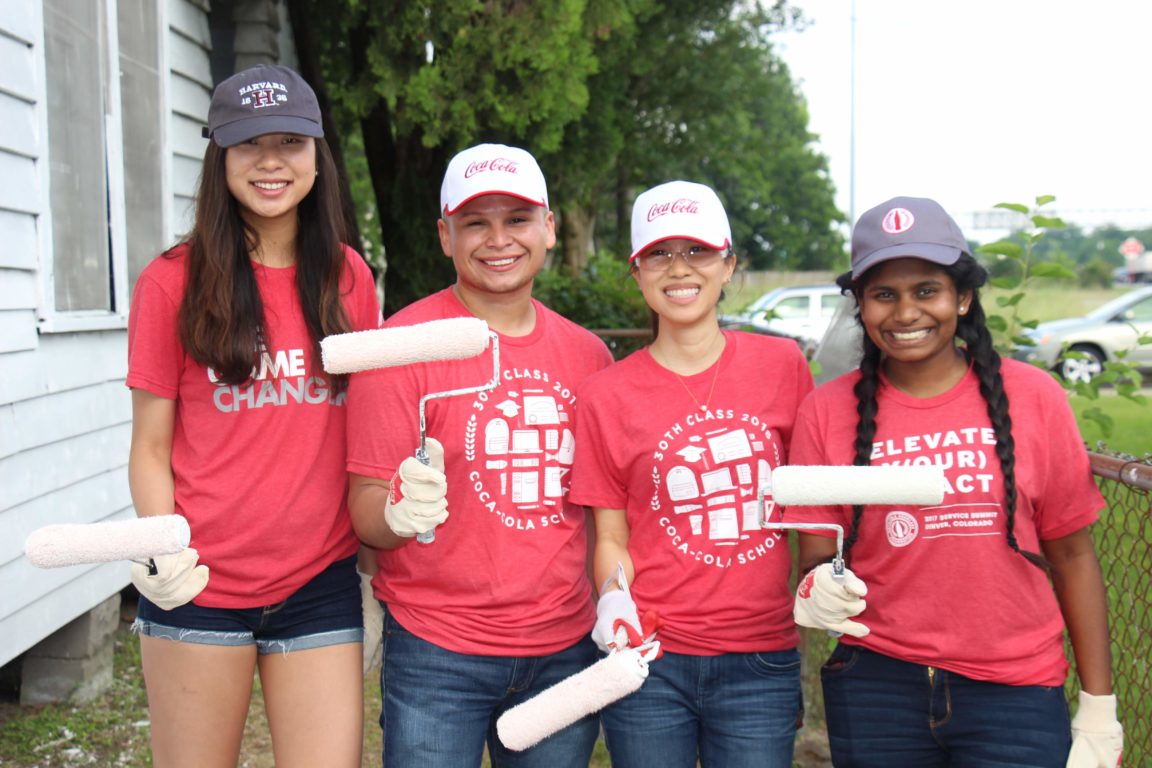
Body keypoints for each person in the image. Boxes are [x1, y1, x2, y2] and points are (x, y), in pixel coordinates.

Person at [787, 196, 1124, 767]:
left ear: (962, 298)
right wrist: (817, 588)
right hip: (877, 687)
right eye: (884, 294)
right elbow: (819, 554)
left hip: (1013, 689)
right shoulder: (825, 412)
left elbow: (1071, 553)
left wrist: (1099, 705)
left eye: (926, 291)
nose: (906, 313)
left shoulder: (1034, 398)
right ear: (861, 307)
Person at [126, 63, 380, 767]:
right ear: (220, 157)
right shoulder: (170, 281)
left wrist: (380, 553)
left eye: (290, 142)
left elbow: (363, 428)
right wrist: (162, 548)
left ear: (318, 155)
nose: (272, 162)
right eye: (248, 144)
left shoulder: (350, 279)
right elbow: (150, 446)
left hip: (317, 582)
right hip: (200, 583)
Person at [345, 143, 614, 767]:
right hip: (438, 649)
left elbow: (606, 513)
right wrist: (397, 512)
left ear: (548, 227)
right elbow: (363, 509)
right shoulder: (401, 348)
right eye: (475, 221)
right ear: (445, 235)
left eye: (517, 219)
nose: (499, 239)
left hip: (563, 646)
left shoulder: (588, 357)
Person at [568, 180, 815, 767]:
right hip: (650, 659)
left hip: (761, 656)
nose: (679, 269)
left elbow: (812, 504)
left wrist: (818, 583)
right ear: (636, 271)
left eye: (697, 251)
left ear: (729, 263)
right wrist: (612, 601)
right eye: (658, 253)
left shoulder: (782, 365)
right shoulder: (606, 394)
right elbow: (610, 537)